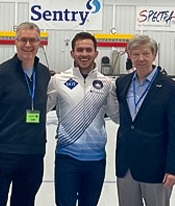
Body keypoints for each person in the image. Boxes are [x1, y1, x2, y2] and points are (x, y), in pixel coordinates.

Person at [0, 22, 51, 206]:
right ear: (15, 42)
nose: (28, 45)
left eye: (32, 40)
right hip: (2, 156)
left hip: (33, 156)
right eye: (23, 39)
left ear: (39, 43)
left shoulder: (44, 74)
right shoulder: (0, 75)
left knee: (25, 202)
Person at [47, 32, 119, 206]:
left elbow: (118, 116)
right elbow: (39, 110)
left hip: (96, 160)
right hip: (66, 158)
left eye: (88, 50)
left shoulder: (107, 83)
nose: (84, 54)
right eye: (79, 50)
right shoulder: (58, 80)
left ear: (96, 53)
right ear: (72, 53)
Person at [115, 34, 175, 206]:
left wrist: (173, 168)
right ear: (129, 56)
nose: (141, 58)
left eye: (146, 54)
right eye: (136, 54)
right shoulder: (122, 83)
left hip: (157, 168)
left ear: (154, 55)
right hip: (127, 167)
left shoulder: (171, 89)